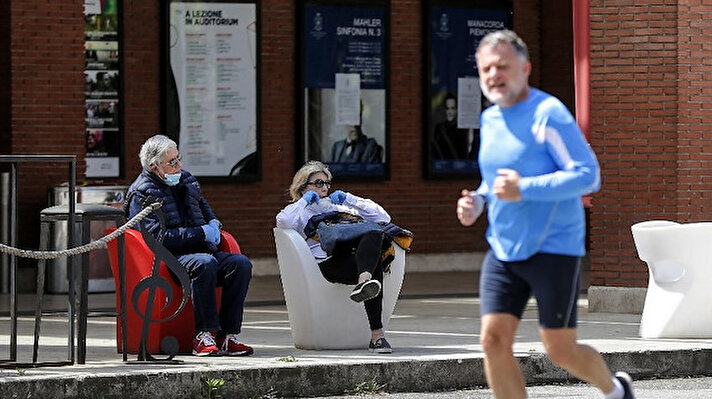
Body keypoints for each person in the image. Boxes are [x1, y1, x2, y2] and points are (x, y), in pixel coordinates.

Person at [456, 30, 635, 399]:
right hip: (503, 249)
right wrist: (478, 200)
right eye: (486, 68)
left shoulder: (547, 113)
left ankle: (616, 390)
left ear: (525, 68)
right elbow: (494, 181)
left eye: (502, 66)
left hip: (554, 247)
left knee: (559, 348)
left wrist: (526, 187)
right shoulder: (490, 120)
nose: (493, 75)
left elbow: (588, 175)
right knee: (492, 341)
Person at [125, 134, 254, 357]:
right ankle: (203, 334)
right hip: (169, 258)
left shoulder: (186, 180)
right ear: (155, 167)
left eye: (178, 158)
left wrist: (213, 224)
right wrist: (200, 233)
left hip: (202, 251)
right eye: (172, 162)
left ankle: (227, 335)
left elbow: (204, 210)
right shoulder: (142, 192)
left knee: (240, 264)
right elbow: (156, 237)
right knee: (205, 264)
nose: (179, 165)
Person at [276, 160, 399, 353]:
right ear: (302, 187)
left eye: (326, 183)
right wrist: (304, 201)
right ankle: (378, 336)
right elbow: (282, 222)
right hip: (330, 264)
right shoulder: (301, 212)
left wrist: (349, 199)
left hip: (356, 262)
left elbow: (383, 218)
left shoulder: (339, 207)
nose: (324, 188)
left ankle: (363, 281)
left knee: (374, 234)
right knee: (374, 266)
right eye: (318, 183)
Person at [431, 92, 477, 160]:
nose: (450, 111)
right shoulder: (439, 128)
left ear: (456, 110)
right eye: (447, 108)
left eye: (452, 108)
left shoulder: (462, 129)